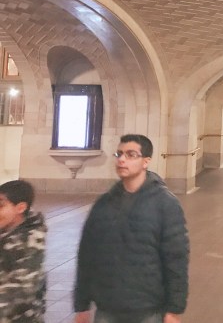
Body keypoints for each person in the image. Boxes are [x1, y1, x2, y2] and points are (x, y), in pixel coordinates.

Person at [74, 134, 189, 323]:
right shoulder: (104, 203)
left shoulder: (165, 204)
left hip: (148, 309)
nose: (122, 159)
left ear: (146, 161)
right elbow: (87, 255)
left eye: (131, 155)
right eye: (119, 154)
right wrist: (82, 305)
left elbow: (176, 258)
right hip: (107, 308)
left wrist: (174, 309)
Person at [0, 180, 46, 323]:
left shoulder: (29, 242)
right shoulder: (6, 230)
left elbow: (24, 290)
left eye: (1, 206)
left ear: (20, 208)